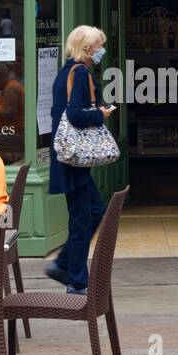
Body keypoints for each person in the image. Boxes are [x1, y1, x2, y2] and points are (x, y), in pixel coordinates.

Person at [45, 25, 115, 294]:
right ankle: (76, 280)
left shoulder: (65, 72)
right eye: (100, 45)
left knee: (94, 210)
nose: (102, 50)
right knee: (82, 218)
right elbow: (75, 115)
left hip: (67, 156)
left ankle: (63, 264)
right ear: (88, 48)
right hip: (74, 158)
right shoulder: (82, 72)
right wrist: (101, 115)